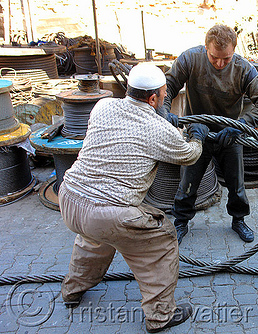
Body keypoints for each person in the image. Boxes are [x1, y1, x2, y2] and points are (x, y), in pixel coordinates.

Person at [58, 62, 210, 333]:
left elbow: (132, 130)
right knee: (161, 242)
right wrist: (198, 136)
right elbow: (189, 155)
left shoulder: (103, 106)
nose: (166, 99)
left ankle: (72, 290)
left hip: (70, 199)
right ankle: (160, 316)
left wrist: (162, 121)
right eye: (164, 95)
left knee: (95, 239)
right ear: (154, 98)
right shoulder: (158, 130)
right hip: (109, 212)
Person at [163, 24, 258, 244]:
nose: (220, 63)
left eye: (227, 58)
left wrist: (242, 124)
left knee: (237, 184)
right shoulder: (190, 59)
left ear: (234, 50)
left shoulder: (243, 69)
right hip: (198, 133)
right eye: (215, 57)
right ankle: (181, 223)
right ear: (206, 47)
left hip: (230, 133)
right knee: (188, 183)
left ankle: (238, 220)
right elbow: (167, 86)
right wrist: (165, 114)